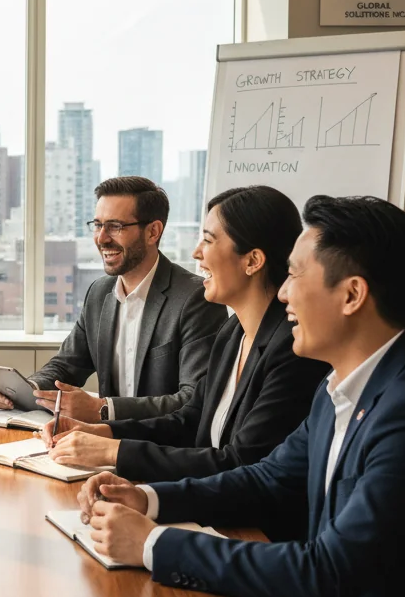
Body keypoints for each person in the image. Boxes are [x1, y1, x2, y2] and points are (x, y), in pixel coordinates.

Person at [76, 195, 405, 597]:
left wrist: (153, 545)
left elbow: (330, 570)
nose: (283, 295)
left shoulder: (402, 410)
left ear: (352, 294)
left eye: (296, 275)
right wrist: (147, 498)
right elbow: (270, 477)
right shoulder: (340, 385)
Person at [45, 187, 329, 509]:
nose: (196, 253)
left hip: (249, 526)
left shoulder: (292, 351)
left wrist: (114, 452)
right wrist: (102, 433)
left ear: (252, 261)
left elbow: (239, 462)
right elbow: (188, 420)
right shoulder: (233, 333)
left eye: (208, 240)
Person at [0, 176, 226, 423]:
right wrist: (19, 391)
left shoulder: (195, 298)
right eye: (98, 225)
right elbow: (66, 366)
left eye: (115, 226)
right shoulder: (99, 293)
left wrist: (103, 409)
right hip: (103, 441)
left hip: (161, 448)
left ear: (153, 232)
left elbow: (193, 398)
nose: (101, 238)